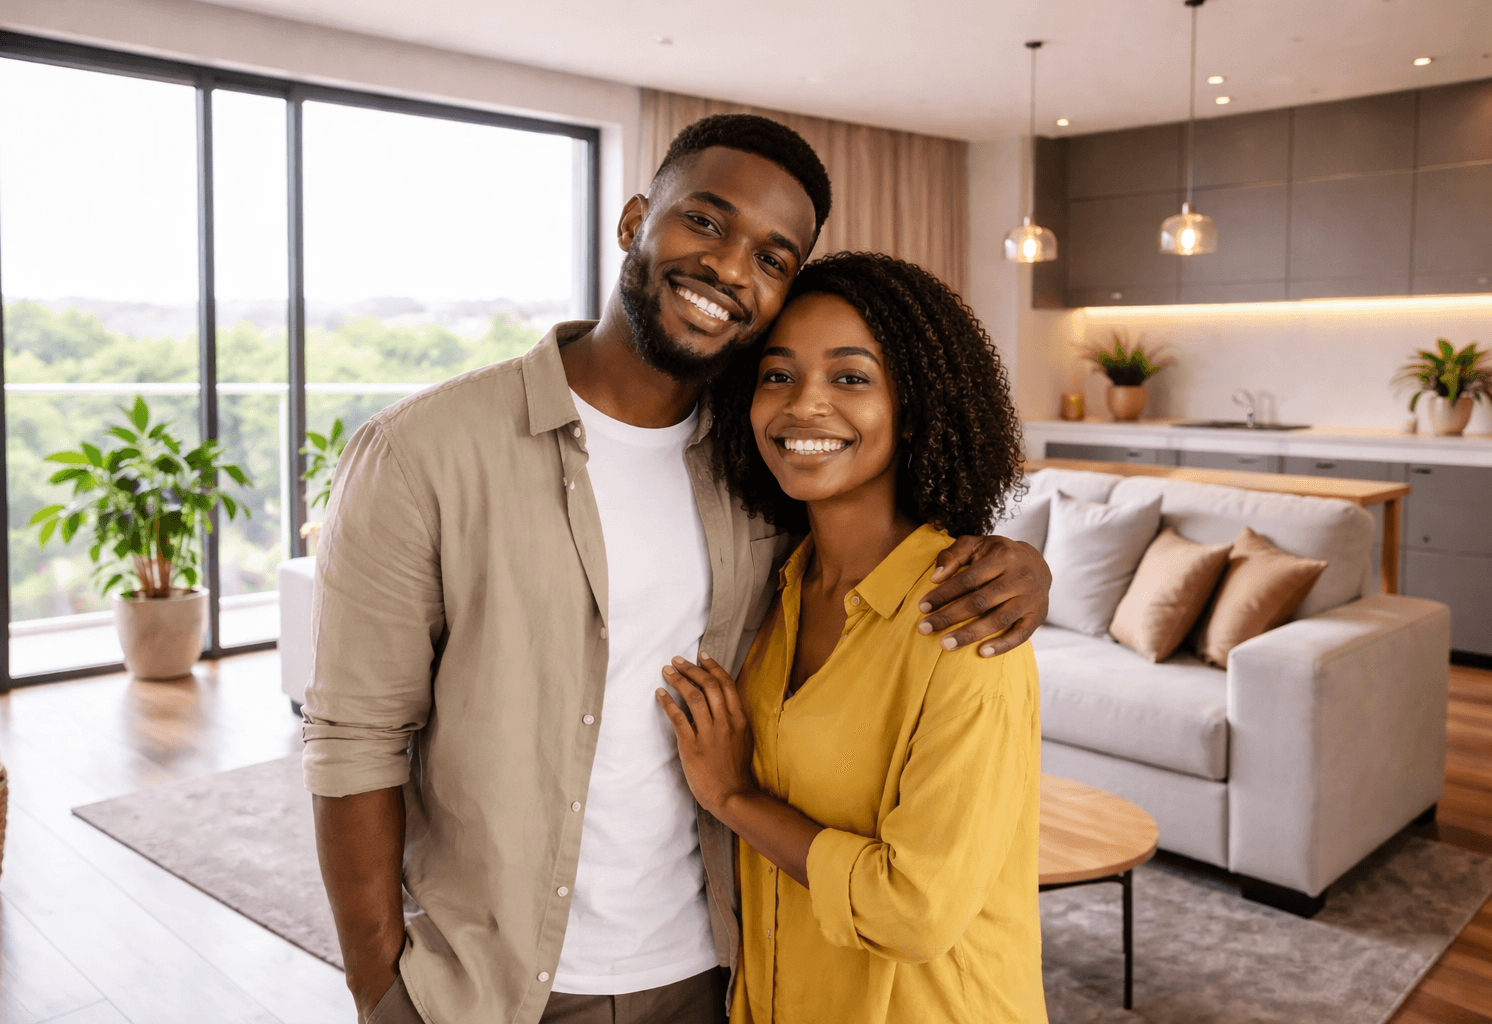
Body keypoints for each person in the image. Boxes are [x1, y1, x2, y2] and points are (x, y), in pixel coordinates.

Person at [303, 114, 1052, 1024]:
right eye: (706, 222)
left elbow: (888, 530)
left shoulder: (760, 472)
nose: (732, 268)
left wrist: (1020, 561)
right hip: (491, 989)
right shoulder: (424, 451)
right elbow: (353, 736)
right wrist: (379, 984)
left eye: (774, 259)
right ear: (634, 222)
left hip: (715, 973)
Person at [660, 252, 1048, 1023]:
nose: (804, 406)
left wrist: (733, 796)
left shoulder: (966, 629)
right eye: (777, 375)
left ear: (919, 405)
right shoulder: (772, 593)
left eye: (850, 377)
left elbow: (913, 911)